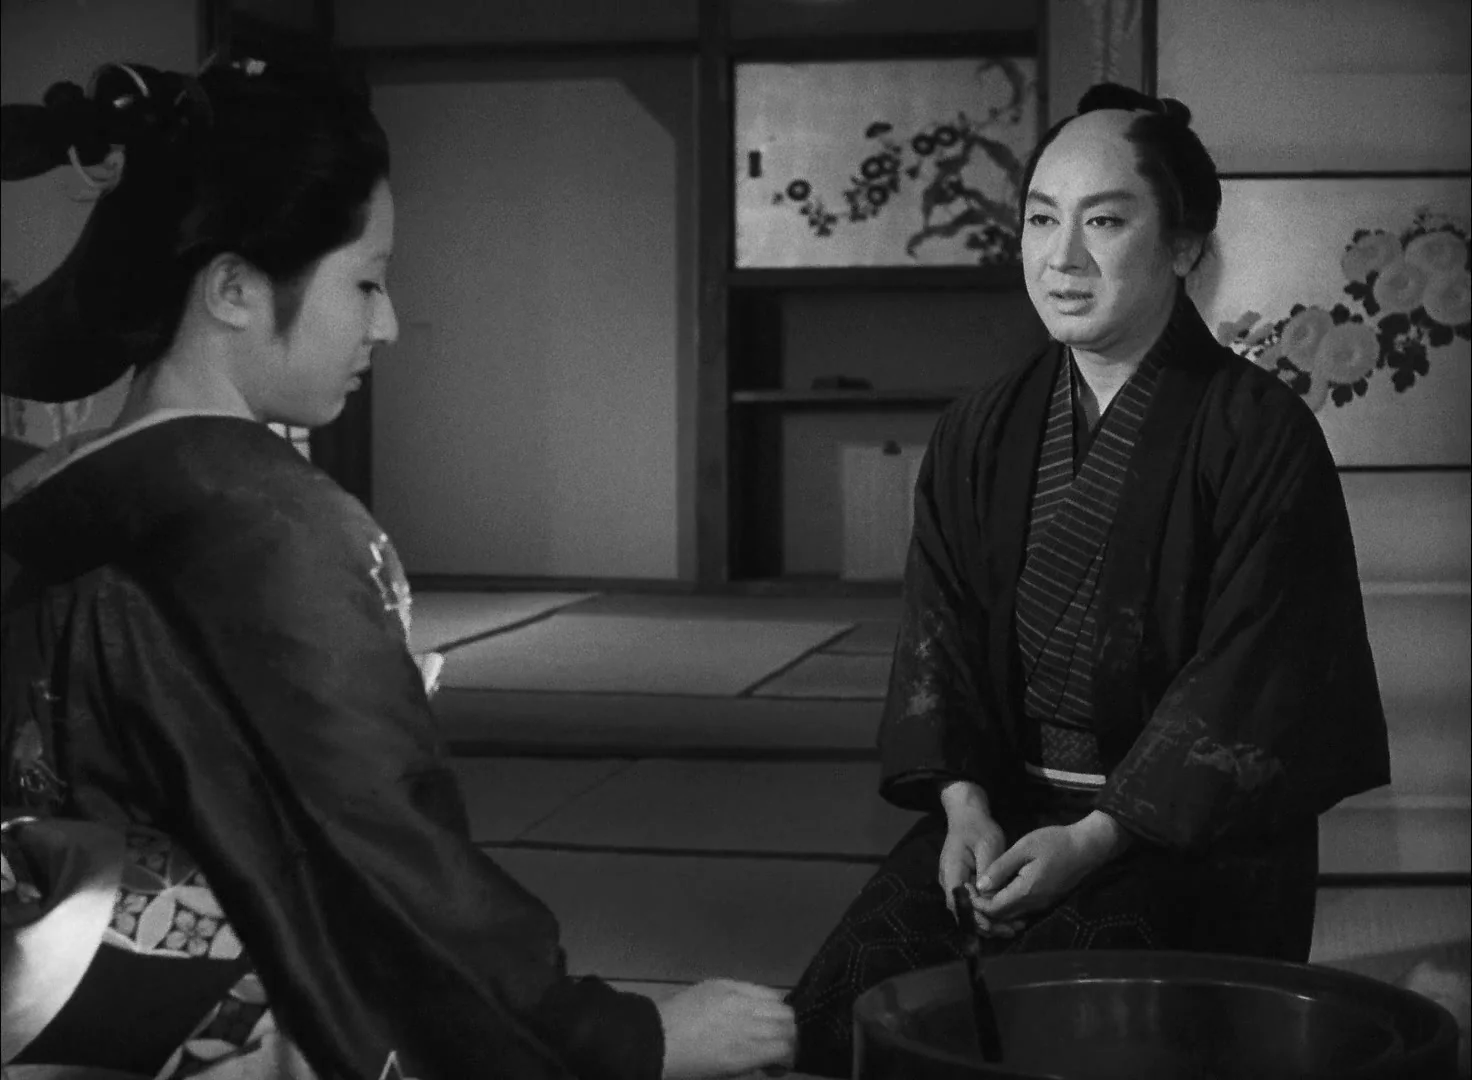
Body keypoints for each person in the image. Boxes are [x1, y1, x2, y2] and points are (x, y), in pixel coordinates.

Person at [0, 49, 795, 1079]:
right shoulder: (268, 524)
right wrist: (626, 1039)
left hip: (62, 1009)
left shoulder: (52, 489)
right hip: (215, 1025)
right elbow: (392, 852)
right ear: (234, 288)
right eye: (366, 281)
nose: (386, 322)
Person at [783, 83, 1392, 1076]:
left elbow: (1258, 672)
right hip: (1007, 815)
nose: (1060, 258)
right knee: (836, 1020)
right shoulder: (979, 430)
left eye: (1103, 222)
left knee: (1048, 1039)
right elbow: (939, 635)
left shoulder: (1257, 436)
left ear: (1184, 246)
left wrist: (1099, 837)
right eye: (1039, 220)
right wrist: (964, 807)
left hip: (1187, 841)